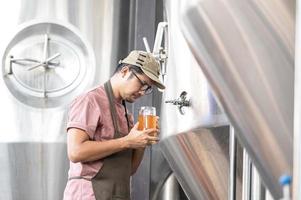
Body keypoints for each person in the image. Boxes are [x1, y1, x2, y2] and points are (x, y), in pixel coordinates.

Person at [63, 50, 165, 200]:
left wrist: (142, 141)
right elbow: (75, 152)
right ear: (125, 71)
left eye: (148, 88)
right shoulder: (90, 100)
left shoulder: (125, 114)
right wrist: (127, 141)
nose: (143, 92)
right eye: (142, 83)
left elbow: (129, 169)